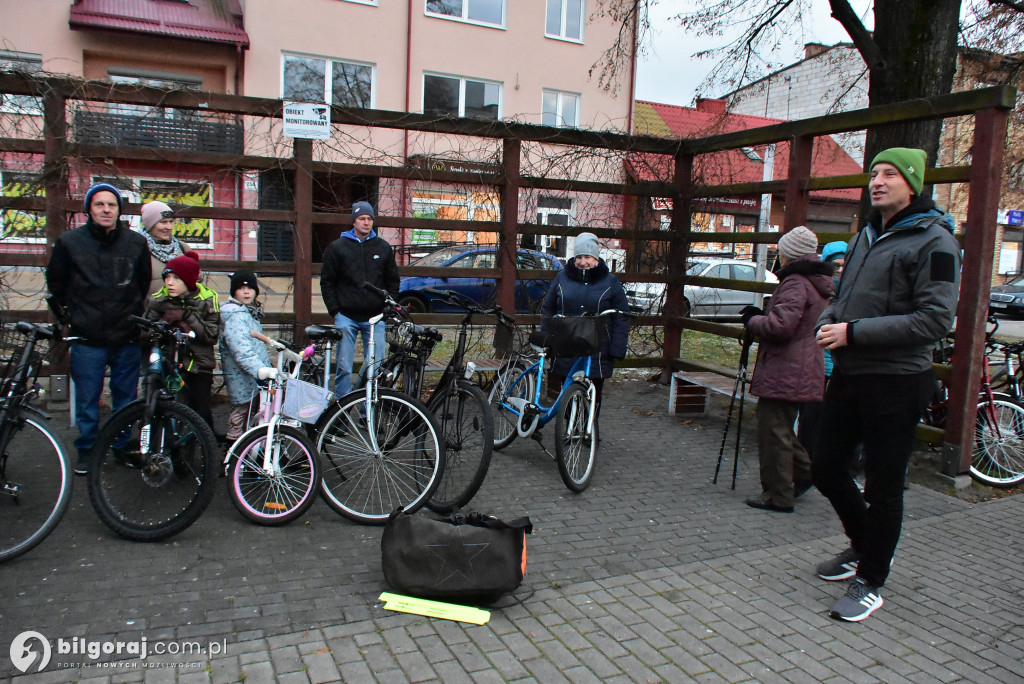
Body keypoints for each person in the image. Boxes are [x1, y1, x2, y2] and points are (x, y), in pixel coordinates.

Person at [813, 147, 961, 622]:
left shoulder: (935, 242)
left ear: (913, 184)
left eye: (890, 174)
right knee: (825, 467)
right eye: (874, 173)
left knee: (884, 486)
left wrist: (852, 332)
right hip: (851, 375)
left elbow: (934, 320)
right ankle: (866, 545)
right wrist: (829, 320)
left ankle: (871, 580)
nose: (877, 181)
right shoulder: (865, 236)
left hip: (897, 381)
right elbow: (843, 296)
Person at [46, 183, 152, 475]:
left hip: (125, 335)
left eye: (112, 205)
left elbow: (142, 283)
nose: (106, 210)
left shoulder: (135, 243)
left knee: (125, 399)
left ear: (119, 209)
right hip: (87, 337)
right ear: (89, 210)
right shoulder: (69, 242)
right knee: (87, 400)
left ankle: (120, 447)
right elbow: (56, 283)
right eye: (99, 204)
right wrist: (74, 313)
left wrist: (131, 312)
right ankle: (88, 451)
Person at [740, 226, 834, 513]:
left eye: (781, 250)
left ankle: (779, 496)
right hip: (803, 365)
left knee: (774, 432)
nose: (778, 255)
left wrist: (753, 320)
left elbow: (781, 327)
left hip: (785, 366)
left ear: (789, 253)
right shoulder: (816, 282)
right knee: (781, 429)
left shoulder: (795, 282)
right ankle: (809, 475)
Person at [540, 232, 629, 417]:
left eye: (587, 257)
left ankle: (589, 429)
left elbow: (622, 316)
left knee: (594, 391)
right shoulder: (562, 278)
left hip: (598, 347)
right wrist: (546, 337)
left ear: (596, 258)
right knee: (567, 390)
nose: (583, 261)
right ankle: (568, 429)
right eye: (579, 257)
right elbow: (547, 309)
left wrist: (617, 347)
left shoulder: (610, 282)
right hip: (566, 343)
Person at [320, 201, 400, 398]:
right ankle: (340, 414)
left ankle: (369, 412)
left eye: (370, 219)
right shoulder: (337, 248)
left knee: (376, 366)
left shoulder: (383, 248)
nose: (366, 222)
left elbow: (392, 280)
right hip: (346, 316)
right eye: (362, 218)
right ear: (353, 221)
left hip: (376, 318)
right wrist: (335, 310)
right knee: (344, 366)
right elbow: (327, 281)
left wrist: (388, 306)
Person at [144, 252, 221, 431]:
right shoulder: (158, 299)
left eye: (176, 278)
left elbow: (211, 335)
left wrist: (187, 317)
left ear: (189, 280)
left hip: (199, 365)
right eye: (167, 277)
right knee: (162, 407)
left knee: (200, 410)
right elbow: (144, 334)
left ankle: (207, 451)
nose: (169, 282)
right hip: (168, 362)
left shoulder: (207, 299)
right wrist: (163, 325)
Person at [797, 240, 847, 456]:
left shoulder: (853, 292)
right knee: (811, 417)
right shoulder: (817, 289)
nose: (841, 270)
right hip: (816, 365)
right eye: (836, 265)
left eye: (846, 265)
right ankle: (807, 464)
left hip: (841, 365)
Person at [219, 270, 272, 442]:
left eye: (250, 288)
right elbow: (241, 350)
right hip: (242, 376)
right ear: (234, 291)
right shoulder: (235, 316)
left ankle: (245, 450)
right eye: (241, 288)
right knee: (240, 413)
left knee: (250, 412)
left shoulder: (248, 313)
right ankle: (233, 452)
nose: (246, 292)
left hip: (250, 376)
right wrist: (261, 370)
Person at [140, 200, 188, 296]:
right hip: (147, 309)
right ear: (150, 225)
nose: (169, 227)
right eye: (163, 222)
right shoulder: (137, 249)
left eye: (171, 222)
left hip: (178, 309)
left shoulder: (182, 248)